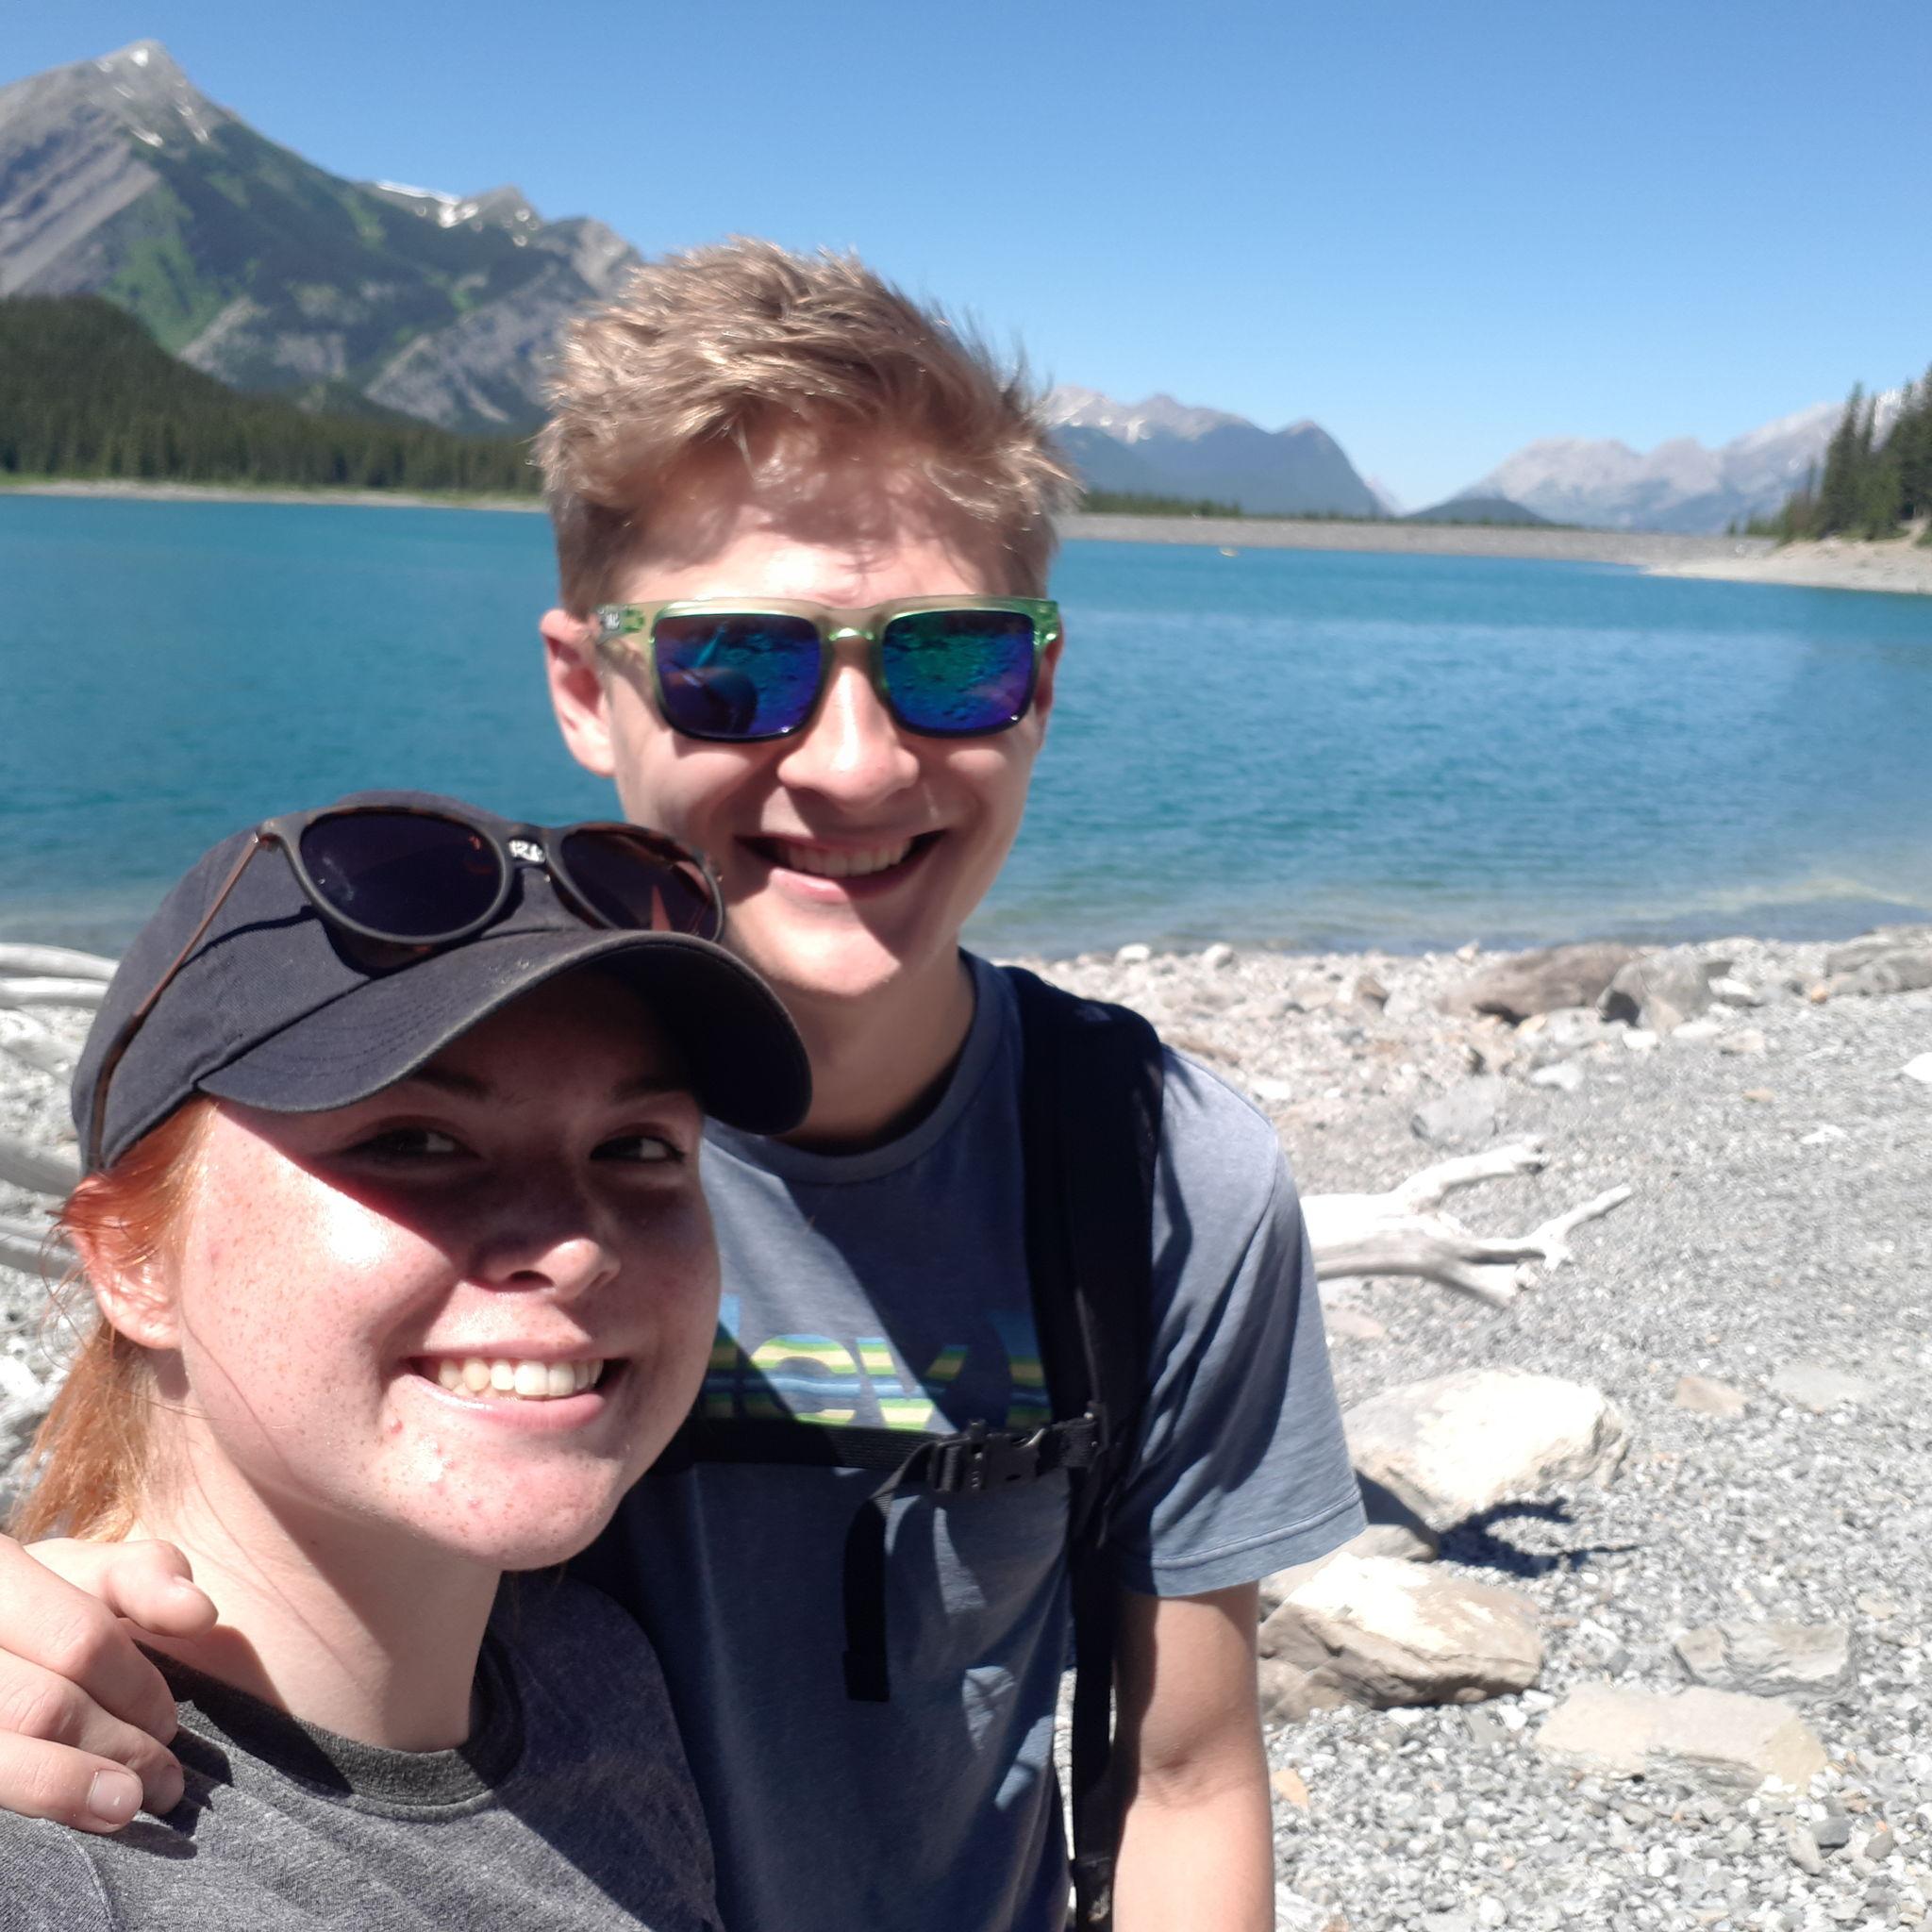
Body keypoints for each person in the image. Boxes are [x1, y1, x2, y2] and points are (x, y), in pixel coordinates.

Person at [0, 243, 1365, 1931]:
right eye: (738, 666)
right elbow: (161, 1453)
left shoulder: (1157, 1171)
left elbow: (1186, 1772)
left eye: (950, 661)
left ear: (1040, 688)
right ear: (589, 686)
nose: (856, 761)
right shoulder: (400, 1057)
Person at [0, 792, 810, 1929]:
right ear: (133, 1257)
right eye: (415, 1141)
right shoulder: (64, 1837)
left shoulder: (595, 1674)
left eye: (636, 1147)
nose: (578, 1246)